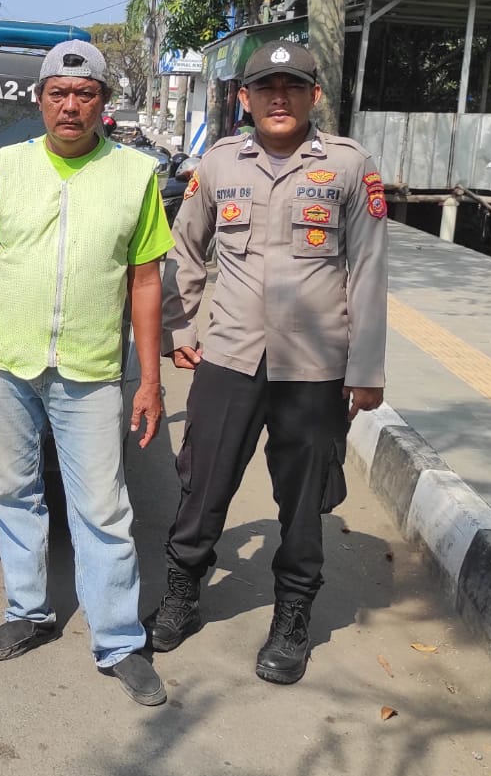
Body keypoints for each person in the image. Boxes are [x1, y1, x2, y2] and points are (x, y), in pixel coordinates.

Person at [146, 40, 388, 685]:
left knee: (303, 500)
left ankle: (292, 616)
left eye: (293, 87)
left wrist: (366, 368)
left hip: (315, 366)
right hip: (230, 355)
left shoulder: (348, 166)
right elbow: (186, 249)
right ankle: (182, 593)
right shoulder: (219, 163)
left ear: (314, 96)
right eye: (266, 88)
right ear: (245, 98)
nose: (279, 99)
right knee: (203, 484)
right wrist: (179, 326)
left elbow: (368, 269)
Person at [0, 40, 172, 707]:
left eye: (85, 94)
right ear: (40, 99)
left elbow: (145, 283)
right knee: (13, 492)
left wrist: (150, 378)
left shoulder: (135, 175)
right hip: (5, 363)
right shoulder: (4, 167)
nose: (71, 105)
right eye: (58, 93)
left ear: (104, 102)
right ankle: (29, 611)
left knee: (103, 507)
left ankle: (120, 640)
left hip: (91, 368)